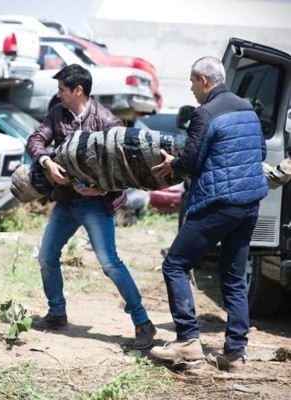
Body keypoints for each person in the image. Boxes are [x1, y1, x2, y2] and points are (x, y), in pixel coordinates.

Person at [149, 56, 268, 372]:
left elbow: (190, 162)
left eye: (191, 82)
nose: (191, 89)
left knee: (175, 264)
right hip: (249, 204)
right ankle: (235, 354)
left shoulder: (205, 114)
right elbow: (261, 154)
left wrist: (171, 164)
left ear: (204, 80)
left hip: (218, 204)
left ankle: (187, 341)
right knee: (232, 277)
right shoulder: (247, 108)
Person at [26, 63, 156, 350]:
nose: (58, 94)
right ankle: (57, 314)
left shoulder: (109, 123)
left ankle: (143, 323)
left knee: (110, 263)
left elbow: (127, 170)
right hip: (65, 202)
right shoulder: (57, 113)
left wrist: (104, 188)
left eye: (62, 89)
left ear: (78, 91)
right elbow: (36, 139)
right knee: (47, 256)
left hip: (96, 205)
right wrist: (46, 162)